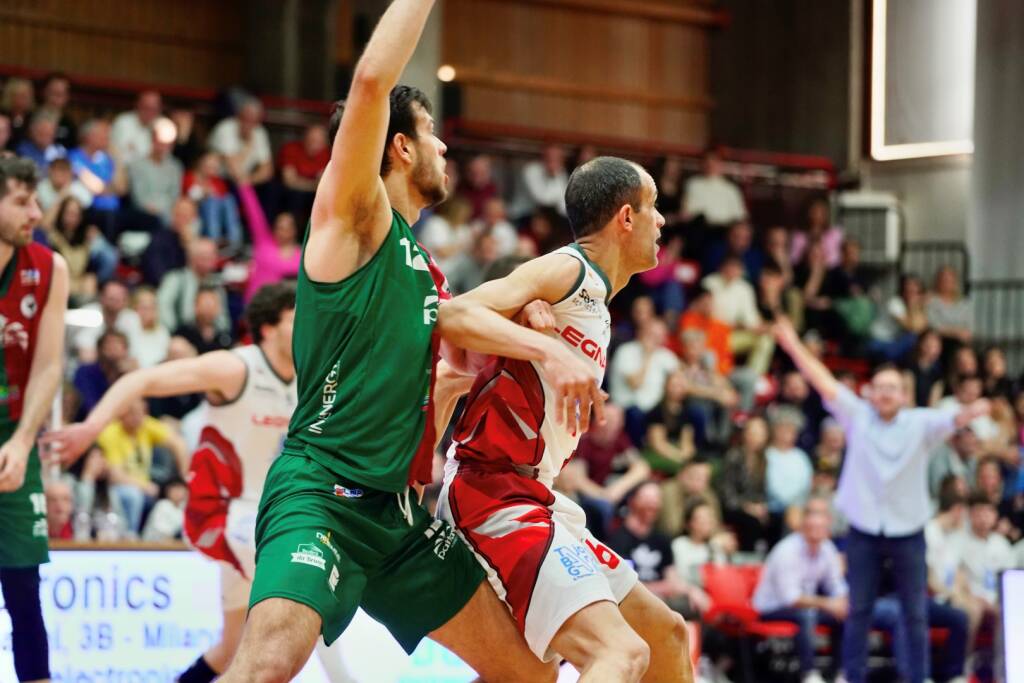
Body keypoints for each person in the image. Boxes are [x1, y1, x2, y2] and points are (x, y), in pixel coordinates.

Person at [219, 3, 562, 681]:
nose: (442, 148)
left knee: (530, 674)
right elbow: (373, 81)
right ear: (399, 146)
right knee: (267, 665)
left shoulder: (423, 269)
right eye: (431, 134)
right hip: (321, 493)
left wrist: (530, 328)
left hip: (400, 517)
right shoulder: (357, 215)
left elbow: (429, 369)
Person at [436, 156, 692, 681]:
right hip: (493, 493)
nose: (661, 220)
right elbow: (455, 316)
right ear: (625, 217)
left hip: (539, 496)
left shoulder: (593, 297)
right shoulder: (570, 269)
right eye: (654, 207)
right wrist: (551, 351)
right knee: (621, 654)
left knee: (666, 635)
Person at [44, 283, 353, 683]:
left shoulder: (311, 375)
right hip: (234, 512)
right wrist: (90, 427)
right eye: (296, 319)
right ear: (267, 329)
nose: (307, 326)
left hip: (276, 513)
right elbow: (140, 382)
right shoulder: (236, 367)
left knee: (230, 650)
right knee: (312, 601)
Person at [772, 316, 991, 683]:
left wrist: (974, 410)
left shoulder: (921, 423)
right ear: (869, 393)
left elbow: (954, 418)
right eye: (879, 388)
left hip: (908, 530)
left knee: (915, 612)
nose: (886, 393)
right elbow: (822, 381)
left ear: (903, 395)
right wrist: (793, 344)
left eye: (893, 388)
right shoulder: (857, 416)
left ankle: (918, 677)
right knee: (859, 609)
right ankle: (851, 676)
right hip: (864, 527)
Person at [0, 156, 70, 683]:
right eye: (22, 200)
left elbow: (49, 365)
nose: (38, 212)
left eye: (37, 199)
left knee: (25, 592)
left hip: (13, 436)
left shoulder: (50, 267)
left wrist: (24, 441)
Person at [752, 495, 848, 683]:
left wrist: (842, 601)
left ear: (827, 530)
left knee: (843, 613)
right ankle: (809, 674)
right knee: (807, 614)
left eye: (821, 529)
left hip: (806, 606)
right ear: (803, 526)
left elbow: (836, 585)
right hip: (771, 608)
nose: (816, 532)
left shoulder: (827, 548)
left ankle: (841, 674)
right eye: (812, 527)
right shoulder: (786, 550)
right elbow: (791, 598)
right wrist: (828, 603)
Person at [111, 89, 162, 165]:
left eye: (154, 109)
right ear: (138, 105)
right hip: (124, 170)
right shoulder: (124, 122)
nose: (150, 113)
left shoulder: (161, 126)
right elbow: (119, 155)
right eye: (146, 108)